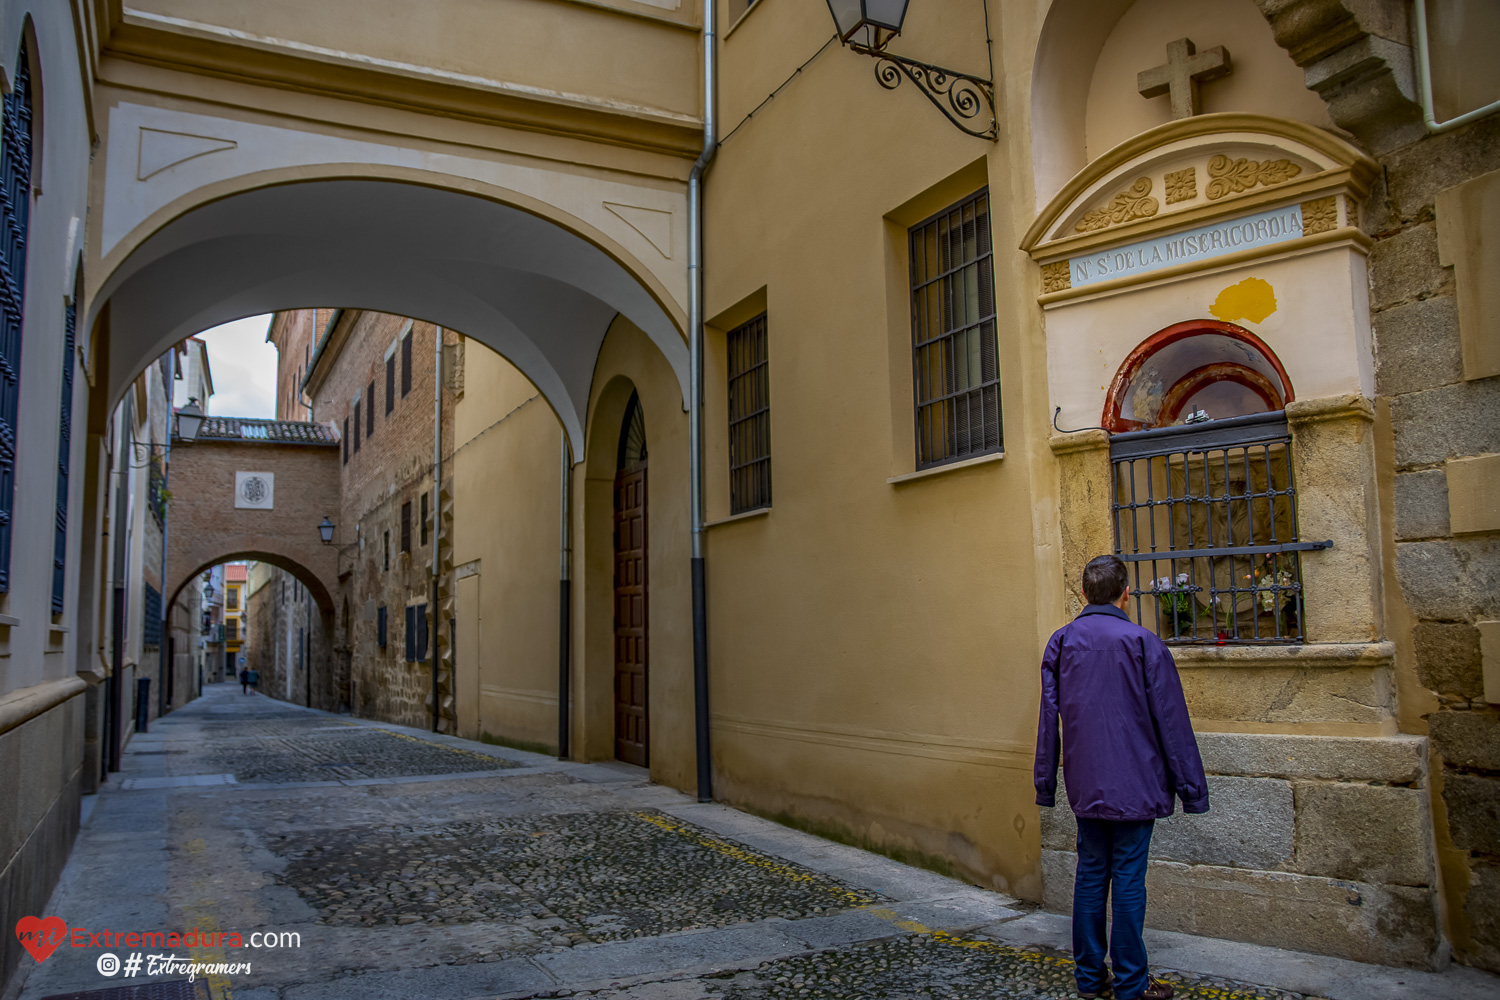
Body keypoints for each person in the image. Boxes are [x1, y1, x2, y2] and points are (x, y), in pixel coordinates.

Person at [1034, 554, 1209, 1000]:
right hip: (1137, 783)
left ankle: (1090, 979)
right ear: (1126, 594)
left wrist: (1046, 782)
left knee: (1091, 873)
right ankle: (1131, 982)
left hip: (1086, 782)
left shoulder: (1061, 642)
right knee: (1128, 877)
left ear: (1083, 592)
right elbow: (1172, 721)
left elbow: (1048, 720)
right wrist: (1191, 789)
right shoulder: (1143, 642)